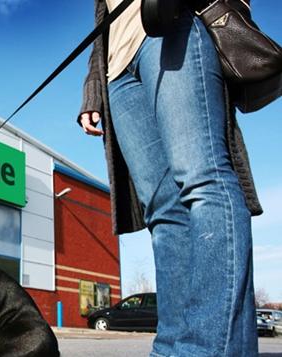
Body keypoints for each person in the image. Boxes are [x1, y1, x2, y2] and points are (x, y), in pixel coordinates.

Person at [78, 0, 262, 356]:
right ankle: (171, 347)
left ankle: (204, 346)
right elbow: (103, 23)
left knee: (203, 178)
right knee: (163, 213)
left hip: (172, 24)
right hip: (117, 68)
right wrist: (93, 92)